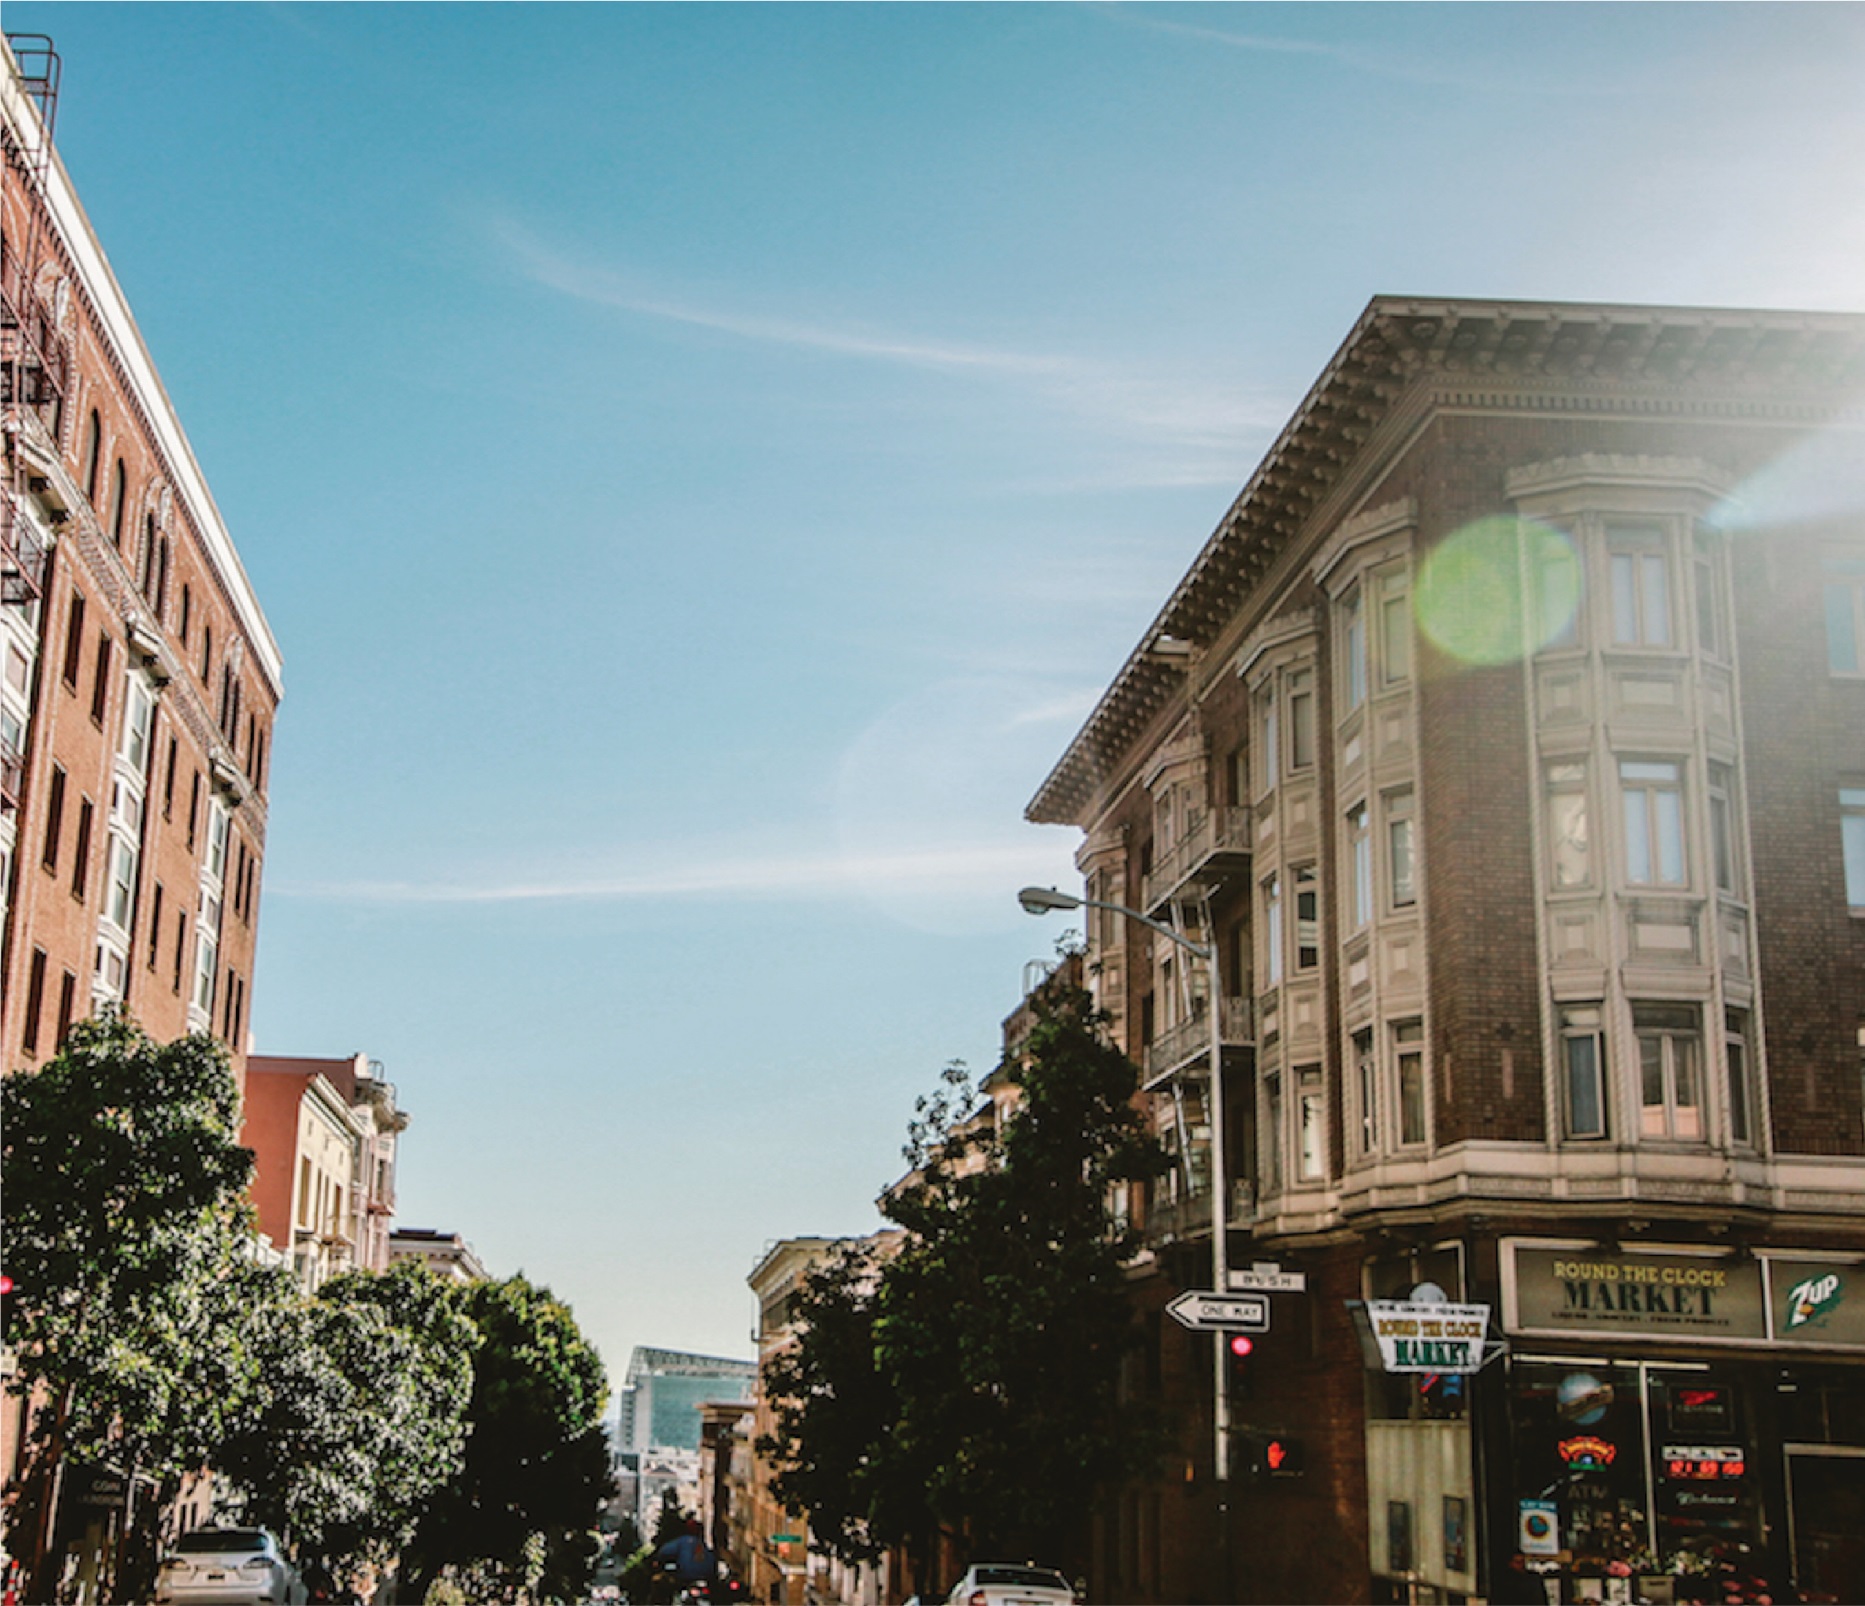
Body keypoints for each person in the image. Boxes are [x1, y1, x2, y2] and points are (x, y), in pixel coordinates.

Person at [653, 1520, 715, 1595]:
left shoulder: (683, 1541)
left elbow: (664, 1551)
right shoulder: (702, 1544)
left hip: (685, 1577)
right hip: (705, 1577)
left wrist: (658, 1559)